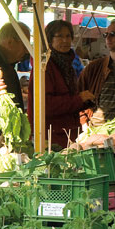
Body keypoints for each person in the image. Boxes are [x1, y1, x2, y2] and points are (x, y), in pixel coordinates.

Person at [43, 20, 93, 148]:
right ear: (50, 39)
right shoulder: (45, 66)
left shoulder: (68, 64)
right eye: (60, 36)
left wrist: (85, 103)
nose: (65, 40)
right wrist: (79, 99)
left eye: (68, 36)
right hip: (52, 135)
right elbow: (46, 104)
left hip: (69, 132)